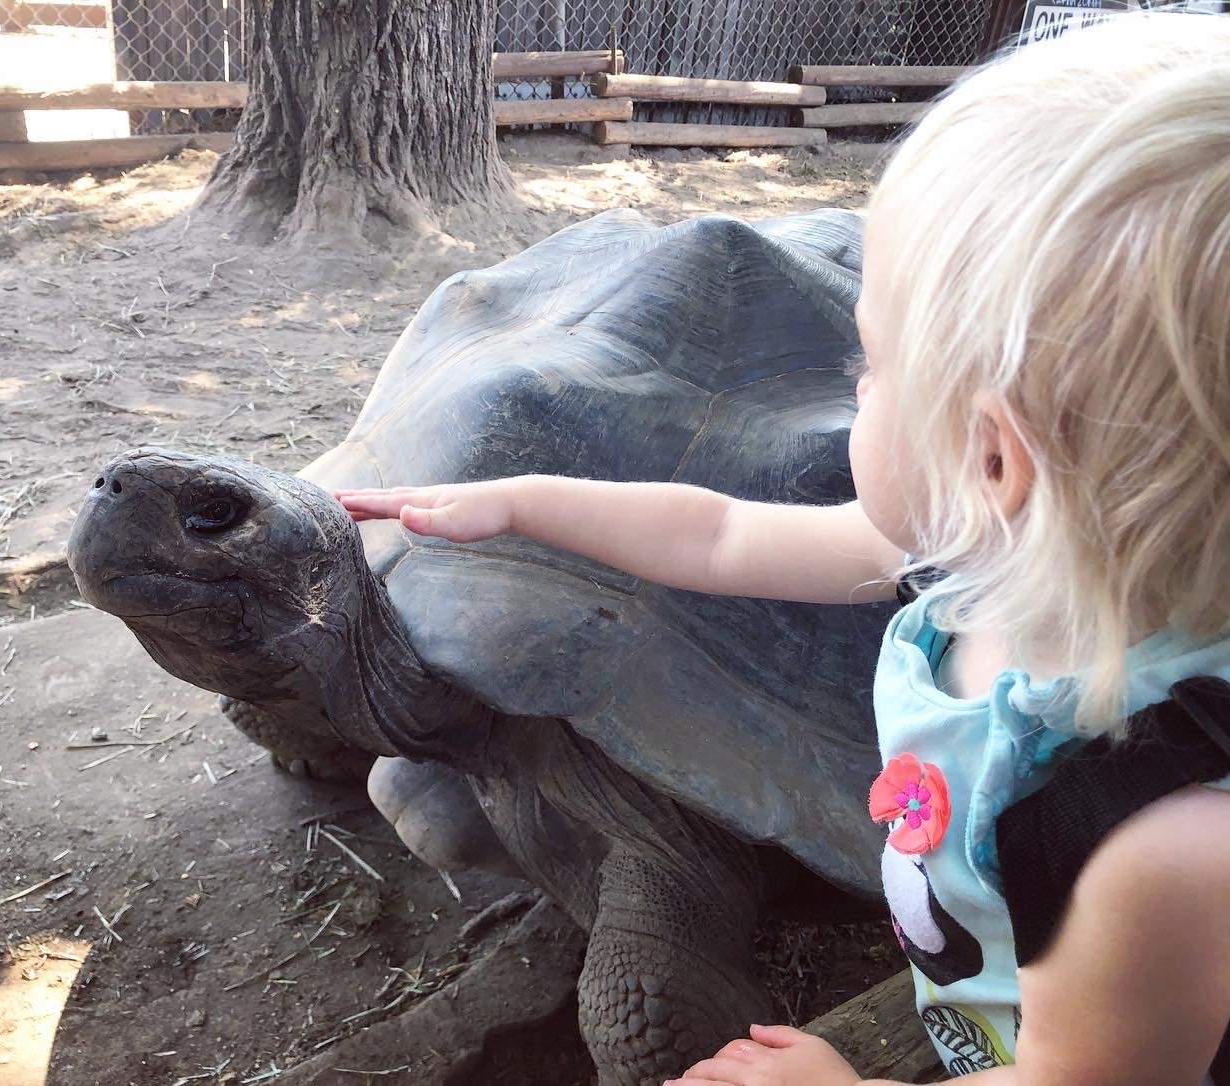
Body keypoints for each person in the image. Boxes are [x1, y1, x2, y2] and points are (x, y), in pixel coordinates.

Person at [335, 14, 1230, 1085]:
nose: (852, 384)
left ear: (995, 459)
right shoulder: (973, 566)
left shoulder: (1157, 848)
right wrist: (525, 503)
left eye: (875, 360)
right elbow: (718, 534)